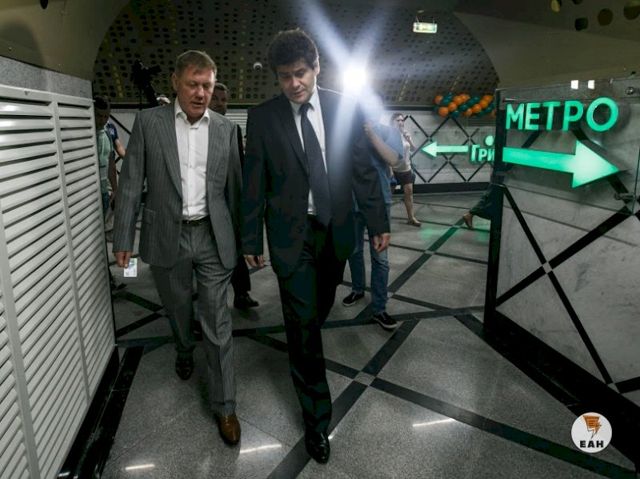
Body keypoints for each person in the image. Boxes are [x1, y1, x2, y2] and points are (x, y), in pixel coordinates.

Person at [242, 28, 390, 464]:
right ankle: (316, 419)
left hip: (335, 232)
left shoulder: (344, 108)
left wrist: (378, 221)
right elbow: (254, 181)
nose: (294, 84)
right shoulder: (263, 117)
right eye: (284, 76)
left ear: (317, 67)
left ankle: (303, 338)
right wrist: (251, 237)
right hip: (291, 237)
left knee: (317, 310)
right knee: (304, 324)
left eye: (301, 73)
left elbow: (362, 169)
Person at [112, 50, 243, 446]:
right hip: (166, 234)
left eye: (207, 86)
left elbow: (235, 190)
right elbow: (131, 182)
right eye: (193, 84)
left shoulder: (226, 129)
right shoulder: (149, 123)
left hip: (212, 235)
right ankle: (184, 348)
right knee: (178, 307)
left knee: (217, 320)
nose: (201, 93)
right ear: (175, 82)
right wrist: (123, 238)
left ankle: (225, 405)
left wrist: (245, 242)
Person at [342, 117, 403, 331]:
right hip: (351, 200)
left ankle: (379, 308)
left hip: (379, 202)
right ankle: (357, 289)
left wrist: (371, 134)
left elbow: (394, 159)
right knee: (354, 250)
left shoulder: (387, 131)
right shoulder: (348, 131)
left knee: (380, 258)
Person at [210, 82, 259, 310]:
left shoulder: (234, 130)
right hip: (204, 204)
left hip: (229, 201)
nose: (220, 104)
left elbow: (240, 164)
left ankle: (241, 293)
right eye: (215, 98)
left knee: (235, 249)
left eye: (224, 100)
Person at [390, 113, 420, 226]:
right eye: (398, 120)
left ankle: (411, 218)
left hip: (406, 169)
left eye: (402, 120)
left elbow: (413, 149)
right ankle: (383, 218)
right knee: (388, 195)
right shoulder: (389, 135)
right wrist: (390, 171)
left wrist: (409, 140)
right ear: (392, 122)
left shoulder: (406, 134)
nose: (400, 122)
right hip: (393, 170)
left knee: (409, 193)